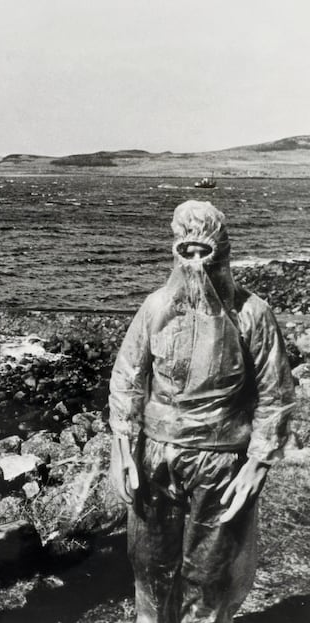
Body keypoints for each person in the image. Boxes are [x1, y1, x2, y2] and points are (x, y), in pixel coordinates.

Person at [109, 200, 295, 623]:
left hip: (221, 462)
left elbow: (275, 392)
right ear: (175, 250)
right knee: (151, 567)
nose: (195, 263)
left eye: (204, 251)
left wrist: (258, 462)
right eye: (186, 251)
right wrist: (122, 446)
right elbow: (127, 377)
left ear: (221, 251)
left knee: (210, 573)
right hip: (156, 456)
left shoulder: (251, 314)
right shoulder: (156, 308)